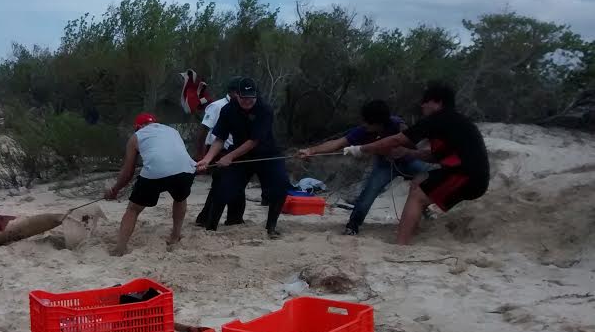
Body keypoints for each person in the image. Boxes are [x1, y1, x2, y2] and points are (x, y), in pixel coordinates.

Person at [344, 81, 490, 245]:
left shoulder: (437, 119)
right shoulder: (455, 122)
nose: (422, 106)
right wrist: (408, 152)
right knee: (418, 182)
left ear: (438, 102)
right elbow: (436, 156)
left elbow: (397, 139)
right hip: (473, 175)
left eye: (426, 101)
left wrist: (361, 149)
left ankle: (401, 245)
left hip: (466, 175)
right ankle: (412, 229)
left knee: (417, 195)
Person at [299, 100, 429, 235]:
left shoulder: (398, 124)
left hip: (409, 161)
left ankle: (425, 211)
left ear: (379, 123)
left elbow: (414, 142)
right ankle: (352, 226)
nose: (364, 125)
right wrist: (311, 150)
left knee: (430, 178)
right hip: (384, 166)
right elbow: (338, 143)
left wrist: (403, 150)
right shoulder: (362, 131)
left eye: (367, 123)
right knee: (368, 194)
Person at [196, 78, 290, 237]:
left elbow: (254, 141)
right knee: (222, 186)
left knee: (281, 185)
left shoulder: (264, 109)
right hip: (241, 155)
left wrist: (229, 157)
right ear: (236, 95)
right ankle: (210, 228)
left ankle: (271, 228)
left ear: (256, 95)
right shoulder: (227, 110)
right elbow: (220, 138)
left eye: (250, 98)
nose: (247, 101)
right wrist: (207, 158)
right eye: (243, 97)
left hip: (267, 153)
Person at [104, 113, 196, 255]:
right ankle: (175, 236)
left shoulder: (136, 136)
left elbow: (128, 172)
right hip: (186, 169)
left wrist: (115, 189)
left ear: (138, 127)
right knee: (180, 198)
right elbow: (177, 154)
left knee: (133, 209)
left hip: (156, 173)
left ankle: (120, 248)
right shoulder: (173, 131)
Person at [194, 76, 246, 227]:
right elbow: (203, 130)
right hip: (218, 150)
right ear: (234, 92)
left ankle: (227, 217)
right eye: (240, 92)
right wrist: (201, 154)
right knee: (222, 184)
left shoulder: (242, 107)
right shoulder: (217, 106)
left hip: (235, 150)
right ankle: (210, 218)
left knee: (233, 184)